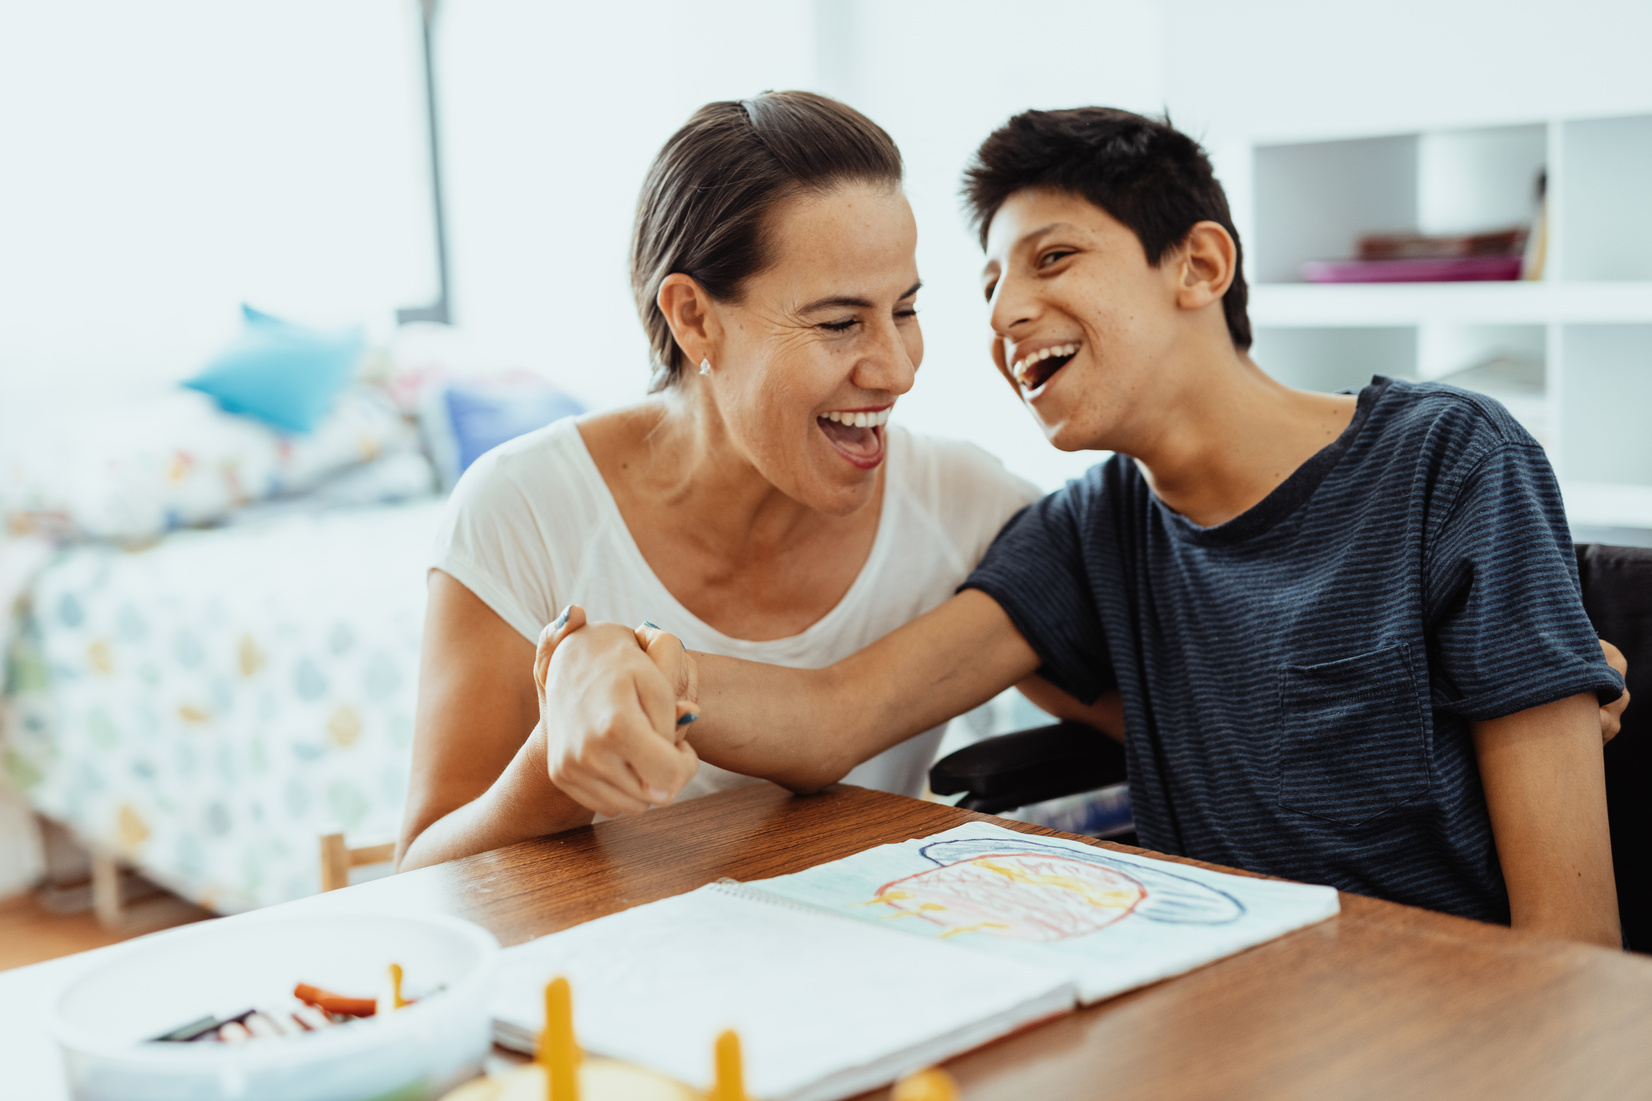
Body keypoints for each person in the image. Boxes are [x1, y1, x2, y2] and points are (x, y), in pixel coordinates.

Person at [540, 108, 1630, 948]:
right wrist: (627, 666)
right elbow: (837, 714)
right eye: (986, 283)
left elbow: (1569, 950)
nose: (1004, 313)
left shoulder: (1449, 464)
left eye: (1051, 258)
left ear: (1199, 266)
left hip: (1449, 1021)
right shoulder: (1090, 531)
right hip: (1221, 1009)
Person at [394, 92, 1053, 872]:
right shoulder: (523, 509)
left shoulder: (963, 505)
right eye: (840, 323)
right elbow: (423, 879)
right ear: (695, 318)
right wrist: (557, 759)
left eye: (904, 309)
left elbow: (1142, 687)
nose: (898, 369)